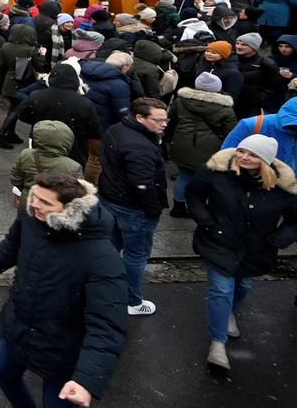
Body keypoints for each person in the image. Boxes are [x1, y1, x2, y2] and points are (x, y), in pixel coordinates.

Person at [0, 172, 127, 408]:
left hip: (63, 349)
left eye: (45, 202)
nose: (34, 205)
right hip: (18, 325)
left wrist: (86, 380)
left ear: (69, 209)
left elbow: (107, 326)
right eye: (35, 197)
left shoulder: (102, 257)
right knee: (1, 370)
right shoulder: (32, 216)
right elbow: (13, 243)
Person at [186, 134, 297, 370]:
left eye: (253, 154)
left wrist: (280, 238)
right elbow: (194, 195)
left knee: (243, 286)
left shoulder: (283, 186)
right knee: (222, 289)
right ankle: (218, 344)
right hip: (219, 243)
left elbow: (294, 220)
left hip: (256, 248)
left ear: (265, 161)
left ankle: (228, 313)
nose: (244, 157)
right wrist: (206, 221)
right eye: (242, 151)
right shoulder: (216, 171)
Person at [97, 97, 168, 316]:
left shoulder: (117, 129)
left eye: (166, 119)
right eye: (159, 120)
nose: (164, 124)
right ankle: (132, 300)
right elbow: (142, 184)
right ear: (140, 117)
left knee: (110, 246)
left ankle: (101, 287)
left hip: (111, 199)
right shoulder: (140, 147)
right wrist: (154, 209)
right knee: (136, 255)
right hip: (134, 209)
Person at [166, 72, 236, 218]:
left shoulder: (181, 101)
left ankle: (178, 207)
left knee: (184, 176)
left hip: (181, 143)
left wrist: (168, 140)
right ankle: (201, 208)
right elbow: (231, 132)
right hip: (210, 149)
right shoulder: (225, 108)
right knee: (207, 179)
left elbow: (170, 121)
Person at [10, 121, 82, 209]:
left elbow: (16, 178)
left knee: (25, 222)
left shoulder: (26, 154)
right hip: (53, 208)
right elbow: (77, 194)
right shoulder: (74, 167)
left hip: (29, 202)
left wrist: (25, 189)